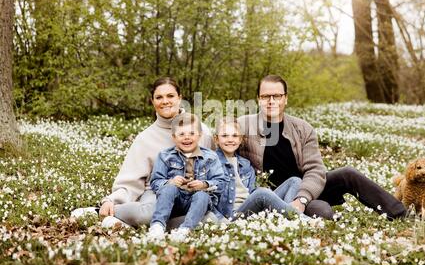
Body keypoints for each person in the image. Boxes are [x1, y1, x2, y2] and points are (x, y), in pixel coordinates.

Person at [237, 75, 406, 220]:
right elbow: (220, 152)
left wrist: (302, 198)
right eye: (266, 96)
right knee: (322, 211)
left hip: (305, 189)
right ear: (259, 99)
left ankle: (399, 213)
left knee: (348, 173)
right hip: (274, 195)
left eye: (277, 96)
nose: (271, 101)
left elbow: (315, 170)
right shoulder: (243, 126)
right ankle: (309, 214)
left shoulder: (302, 128)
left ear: (285, 98)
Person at [71, 77, 216, 228]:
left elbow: (216, 167)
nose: (165, 101)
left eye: (170, 96)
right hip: (155, 193)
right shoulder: (145, 138)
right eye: (159, 97)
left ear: (180, 98)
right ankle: (103, 212)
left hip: (191, 194)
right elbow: (130, 180)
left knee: (210, 219)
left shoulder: (202, 131)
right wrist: (111, 201)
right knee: (149, 214)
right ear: (153, 101)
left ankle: (159, 226)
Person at [147, 113, 226, 242]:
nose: (187, 138)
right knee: (169, 189)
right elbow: (155, 182)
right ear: (173, 137)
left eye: (191, 133)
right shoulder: (165, 156)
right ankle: (157, 226)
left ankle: (185, 230)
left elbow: (221, 183)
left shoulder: (210, 157)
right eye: (182, 134)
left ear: (199, 135)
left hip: (197, 203)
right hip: (174, 202)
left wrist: (204, 184)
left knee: (202, 195)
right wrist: (170, 182)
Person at [214, 117, 310, 220]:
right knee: (262, 193)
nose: (230, 139)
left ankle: (287, 217)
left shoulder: (245, 164)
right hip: (233, 214)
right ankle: (304, 220)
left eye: (235, 136)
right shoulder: (212, 163)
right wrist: (220, 221)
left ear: (240, 139)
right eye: (224, 136)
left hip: (252, 209)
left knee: (295, 181)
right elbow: (209, 199)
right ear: (216, 139)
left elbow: (252, 191)